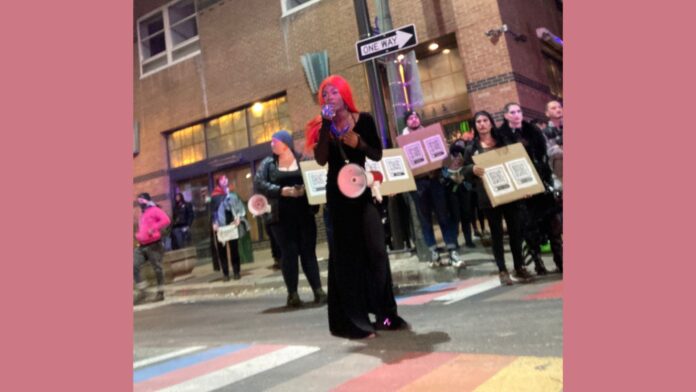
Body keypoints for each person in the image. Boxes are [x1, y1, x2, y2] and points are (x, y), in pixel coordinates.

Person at [307, 74, 407, 339]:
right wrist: (326, 126)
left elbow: (376, 153)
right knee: (346, 257)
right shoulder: (323, 127)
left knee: (376, 250)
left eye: (333, 93)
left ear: (344, 94)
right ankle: (354, 319)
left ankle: (385, 313)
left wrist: (359, 143)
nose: (329, 97)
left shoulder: (363, 120)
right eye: (325, 94)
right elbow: (320, 160)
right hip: (338, 197)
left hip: (361, 192)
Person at [458, 111, 533, 284]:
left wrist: (525, 187)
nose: (482, 124)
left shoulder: (504, 142)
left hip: (510, 194)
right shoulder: (471, 148)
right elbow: (464, 170)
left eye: (485, 120)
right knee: (497, 234)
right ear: (475, 125)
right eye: (478, 121)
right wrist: (472, 170)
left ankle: (519, 267)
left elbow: (517, 163)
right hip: (488, 197)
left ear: (491, 123)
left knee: (515, 232)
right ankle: (502, 270)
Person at [254, 130, 326, 307]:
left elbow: (315, 178)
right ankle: (292, 294)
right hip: (281, 216)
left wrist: (304, 190)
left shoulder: (303, 160)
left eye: (274, 141)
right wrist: (281, 191)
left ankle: (318, 290)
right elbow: (259, 184)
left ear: (285, 143)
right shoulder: (268, 164)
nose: (272, 144)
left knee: (308, 252)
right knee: (289, 253)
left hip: (303, 213)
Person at [498, 103, 563, 274]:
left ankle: (560, 260)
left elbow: (545, 153)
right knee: (530, 226)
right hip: (523, 186)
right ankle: (538, 262)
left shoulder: (533, 130)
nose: (517, 115)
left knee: (553, 224)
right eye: (512, 112)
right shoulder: (502, 136)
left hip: (542, 181)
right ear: (506, 116)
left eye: (519, 111)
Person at [402, 110, 463, 267]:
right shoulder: (402, 142)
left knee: (444, 216)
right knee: (425, 220)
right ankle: (434, 253)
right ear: (406, 122)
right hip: (418, 185)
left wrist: (449, 156)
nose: (414, 120)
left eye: (416, 117)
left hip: (435, 180)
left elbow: (445, 158)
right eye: (410, 118)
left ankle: (452, 251)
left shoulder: (431, 135)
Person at [133, 192, 171, 302]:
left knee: (157, 268)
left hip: (154, 244)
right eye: (138, 201)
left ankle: (160, 292)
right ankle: (142, 291)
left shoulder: (154, 210)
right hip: (142, 246)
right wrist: (138, 235)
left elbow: (166, 220)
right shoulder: (143, 214)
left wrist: (154, 228)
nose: (139, 203)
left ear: (147, 200)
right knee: (133, 265)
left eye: (141, 201)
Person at [211, 175, 246, 281]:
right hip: (221, 226)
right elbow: (213, 211)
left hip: (232, 224)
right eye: (222, 179)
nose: (225, 180)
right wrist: (214, 223)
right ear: (218, 182)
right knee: (222, 251)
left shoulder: (232, 194)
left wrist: (238, 217)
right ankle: (225, 273)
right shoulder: (215, 196)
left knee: (234, 249)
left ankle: (236, 272)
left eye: (226, 178)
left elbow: (239, 207)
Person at [544, 100, 564, 182]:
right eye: (553, 108)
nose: (558, 110)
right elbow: (551, 152)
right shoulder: (545, 132)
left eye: (560, 107)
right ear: (547, 113)